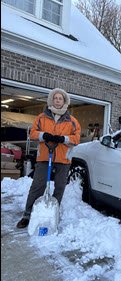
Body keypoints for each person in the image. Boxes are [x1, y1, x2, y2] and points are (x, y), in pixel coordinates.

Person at [16, 88, 81, 228]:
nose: (57, 100)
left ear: (65, 101)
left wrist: (63, 138)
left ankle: (53, 213)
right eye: (55, 98)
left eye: (60, 98)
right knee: (37, 186)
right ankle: (27, 214)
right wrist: (43, 135)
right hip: (45, 156)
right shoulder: (41, 117)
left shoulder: (72, 120)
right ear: (52, 100)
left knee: (60, 187)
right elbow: (32, 133)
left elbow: (76, 139)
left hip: (63, 158)